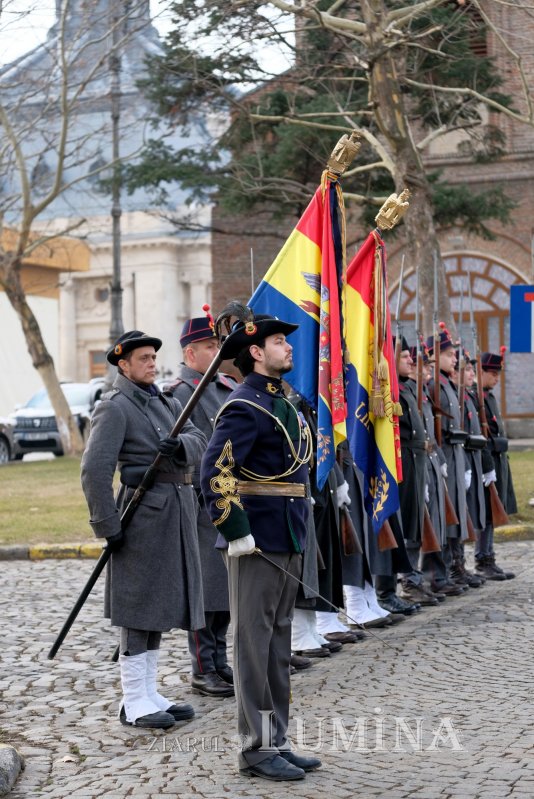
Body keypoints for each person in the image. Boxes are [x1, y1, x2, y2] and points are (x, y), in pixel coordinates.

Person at [200, 311, 321, 781]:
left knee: (276, 644)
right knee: (253, 644)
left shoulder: (282, 402)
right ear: (255, 352)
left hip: (288, 530)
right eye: (278, 341)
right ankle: (255, 748)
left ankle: (277, 741)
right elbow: (215, 472)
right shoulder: (245, 406)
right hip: (257, 539)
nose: (288, 347)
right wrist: (235, 529)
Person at [81, 330, 207, 729]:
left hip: (175, 512)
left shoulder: (163, 399)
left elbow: (200, 437)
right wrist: (107, 525)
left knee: (159, 606)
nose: (152, 363)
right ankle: (133, 700)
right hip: (141, 514)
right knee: (137, 609)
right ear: (123, 364)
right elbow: (94, 471)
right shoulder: (115, 407)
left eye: (154, 357)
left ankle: (149, 692)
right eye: (144, 358)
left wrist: (181, 446)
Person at [166, 308, 237, 698]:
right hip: (200, 501)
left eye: (217, 344)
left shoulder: (224, 385)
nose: (216, 351)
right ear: (190, 353)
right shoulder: (181, 393)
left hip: (231, 496)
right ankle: (201, 666)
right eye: (210, 346)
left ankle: (220, 661)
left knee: (226, 588)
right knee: (205, 589)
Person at [474, 350, 516, 579]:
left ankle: (489, 556)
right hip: (486, 460)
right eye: (492, 373)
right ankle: (482, 560)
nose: (496, 378)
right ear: (481, 372)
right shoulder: (476, 395)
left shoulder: (488, 396)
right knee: (486, 513)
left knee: (493, 512)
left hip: (497, 460)